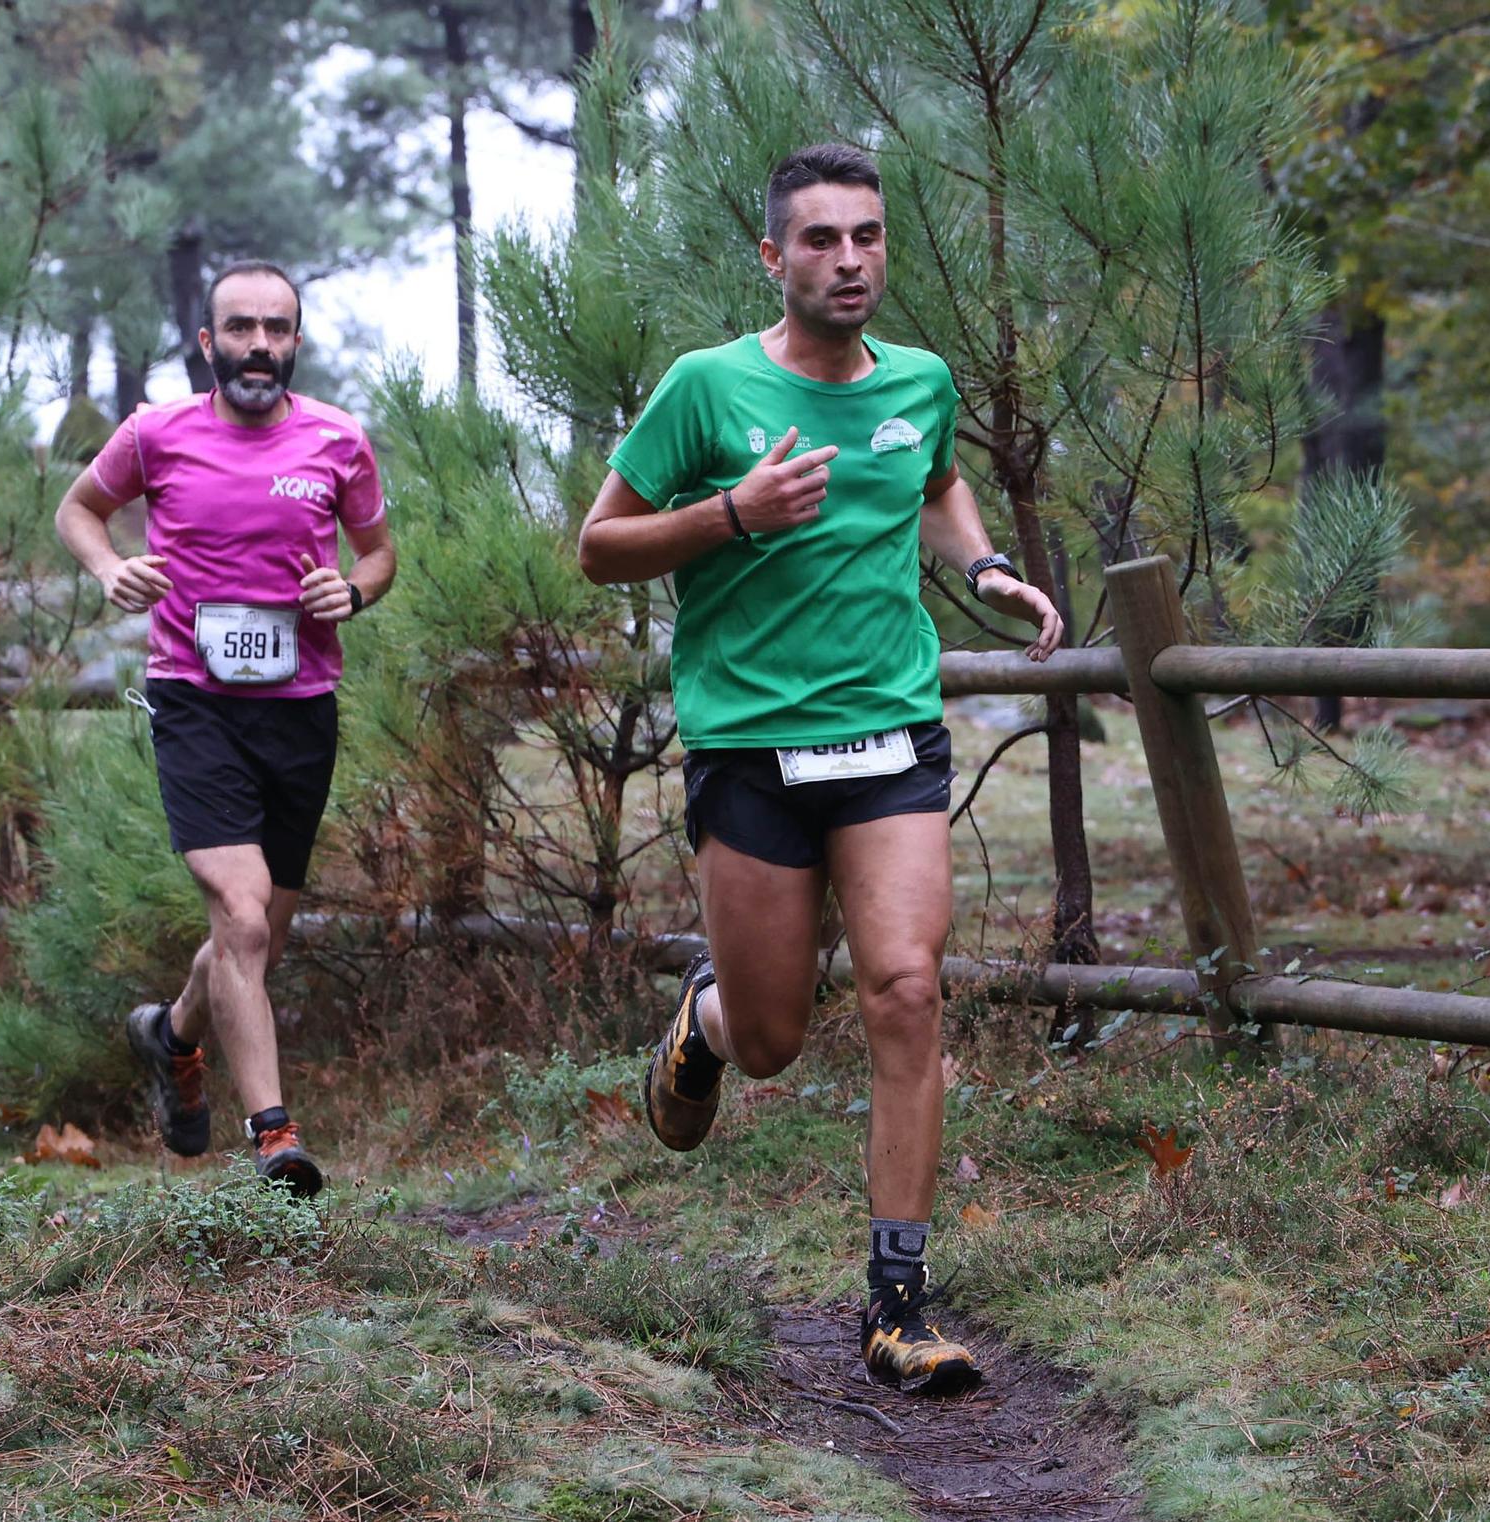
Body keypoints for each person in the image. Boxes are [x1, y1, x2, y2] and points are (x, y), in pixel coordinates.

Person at [576, 145, 1063, 1393]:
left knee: (905, 988)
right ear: (772, 256)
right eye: (819, 240)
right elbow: (600, 546)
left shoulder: (921, 381)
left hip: (889, 732)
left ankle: (896, 1301)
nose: (848, 260)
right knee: (778, 1037)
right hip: (749, 743)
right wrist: (730, 514)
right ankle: (707, 1020)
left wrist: (981, 567)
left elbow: (938, 480)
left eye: (865, 236)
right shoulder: (705, 387)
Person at [54, 260, 395, 1194]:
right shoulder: (156, 433)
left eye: (275, 329)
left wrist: (352, 590)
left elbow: (378, 553)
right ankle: (275, 1137)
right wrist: (109, 569)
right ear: (208, 342)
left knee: (257, 944)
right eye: (238, 327)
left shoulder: (338, 439)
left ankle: (170, 1037)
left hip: (300, 712)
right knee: (239, 918)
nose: (257, 345)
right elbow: (79, 511)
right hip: (195, 703)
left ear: (295, 341)